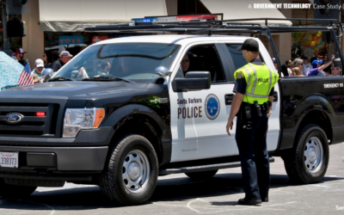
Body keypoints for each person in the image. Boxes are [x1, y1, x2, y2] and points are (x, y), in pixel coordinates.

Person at [226, 38, 279, 206]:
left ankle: (252, 195)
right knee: (262, 154)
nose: (242, 54)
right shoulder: (270, 72)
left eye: (243, 51)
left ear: (248, 52)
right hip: (263, 115)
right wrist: (268, 116)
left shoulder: (244, 72)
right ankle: (264, 194)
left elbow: (239, 96)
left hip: (247, 116)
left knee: (247, 155)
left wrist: (230, 118)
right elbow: (270, 96)